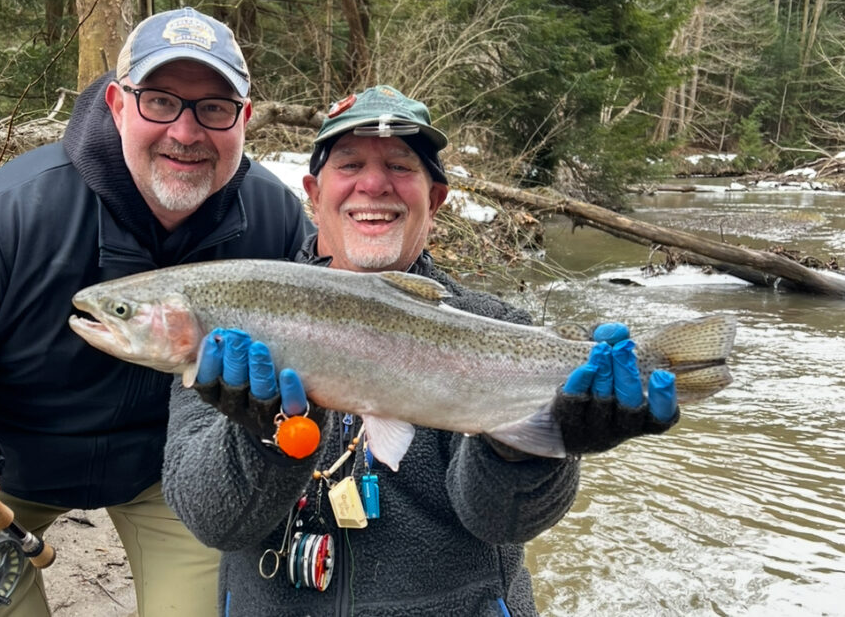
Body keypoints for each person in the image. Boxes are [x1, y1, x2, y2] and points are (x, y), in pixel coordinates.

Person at [0, 7, 312, 616]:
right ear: (119, 105)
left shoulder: (275, 220)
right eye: (160, 101)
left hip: (173, 476)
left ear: (244, 120)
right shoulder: (14, 213)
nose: (185, 131)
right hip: (0, 472)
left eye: (214, 108)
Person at [161, 85, 678, 616]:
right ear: (314, 194)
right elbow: (211, 521)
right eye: (350, 163)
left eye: (401, 166)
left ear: (434, 200)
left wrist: (529, 450)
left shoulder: (497, 327)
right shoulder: (234, 323)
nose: (374, 183)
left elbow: (503, 523)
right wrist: (261, 439)